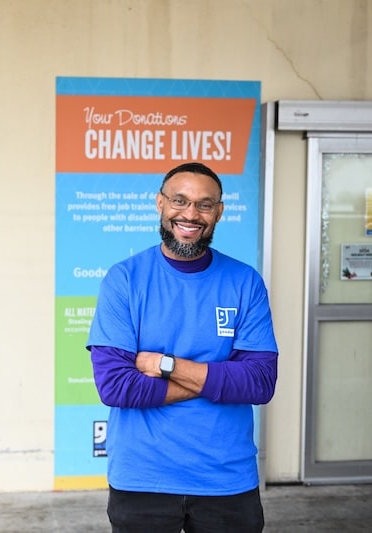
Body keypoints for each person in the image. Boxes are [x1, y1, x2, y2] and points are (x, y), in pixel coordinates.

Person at [86, 161, 279, 532]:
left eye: (205, 204)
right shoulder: (124, 279)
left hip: (227, 479)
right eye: (180, 200)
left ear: (219, 212)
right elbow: (116, 386)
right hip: (143, 477)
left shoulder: (244, 282)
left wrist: (165, 364)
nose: (191, 214)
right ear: (160, 203)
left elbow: (259, 383)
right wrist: (217, 380)